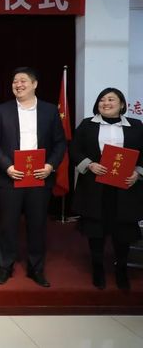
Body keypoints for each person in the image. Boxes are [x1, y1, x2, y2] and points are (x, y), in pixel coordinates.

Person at [0, 67, 66, 287]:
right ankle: (4, 267)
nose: (18, 85)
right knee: (7, 225)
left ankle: (36, 268)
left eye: (23, 81)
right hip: (10, 176)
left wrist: (50, 166)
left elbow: (60, 143)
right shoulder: (1, 111)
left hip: (40, 176)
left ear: (34, 84)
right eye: (15, 82)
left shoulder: (50, 111)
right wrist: (7, 166)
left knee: (37, 225)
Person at [70, 87, 143, 290]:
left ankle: (121, 269)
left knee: (123, 232)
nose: (106, 103)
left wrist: (138, 173)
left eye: (111, 99)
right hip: (95, 187)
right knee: (96, 230)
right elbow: (74, 150)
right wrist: (90, 164)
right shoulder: (87, 124)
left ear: (122, 104)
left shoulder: (136, 126)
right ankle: (98, 268)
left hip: (125, 187)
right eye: (102, 99)